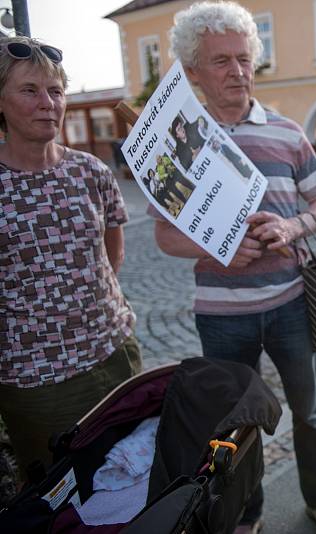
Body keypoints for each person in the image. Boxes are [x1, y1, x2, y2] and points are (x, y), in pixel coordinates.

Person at [160, 3, 316, 533]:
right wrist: (218, 248)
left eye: (244, 58)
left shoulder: (288, 132)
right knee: (233, 426)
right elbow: (165, 235)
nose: (237, 71)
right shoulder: (180, 143)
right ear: (193, 70)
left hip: (290, 303)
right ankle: (248, 512)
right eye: (221, 61)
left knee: (310, 413)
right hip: (221, 316)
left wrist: (292, 228)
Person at [0, 36, 141, 479]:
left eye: (56, 91)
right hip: (36, 382)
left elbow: (111, 251)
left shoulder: (90, 171)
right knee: (57, 494)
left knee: (132, 472)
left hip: (115, 355)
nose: (48, 103)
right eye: (30, 90)